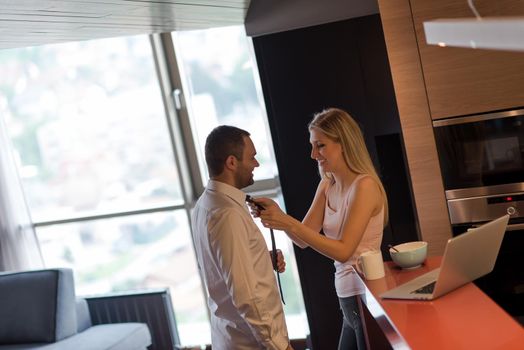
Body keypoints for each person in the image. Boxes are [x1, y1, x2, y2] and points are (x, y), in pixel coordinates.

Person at [250, 108, 388, 350]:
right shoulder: (327, 184)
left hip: (366, 298)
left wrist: (286, 221)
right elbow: (303, 239)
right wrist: (277, 217)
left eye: (320, 145)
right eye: (313, 146)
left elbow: (344, 251)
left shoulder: (364, 187)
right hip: (347, 300)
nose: (314, 154)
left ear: (343, 143)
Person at [191, 125, 293, 350]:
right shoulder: (227, 213)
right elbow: (246, 294)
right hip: (252, 344)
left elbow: (220, 269)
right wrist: (278, 346)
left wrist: (260, 260)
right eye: (252, 157)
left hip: (233, 336)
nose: (256, 164)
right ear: (231, 162)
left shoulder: (204, 205)